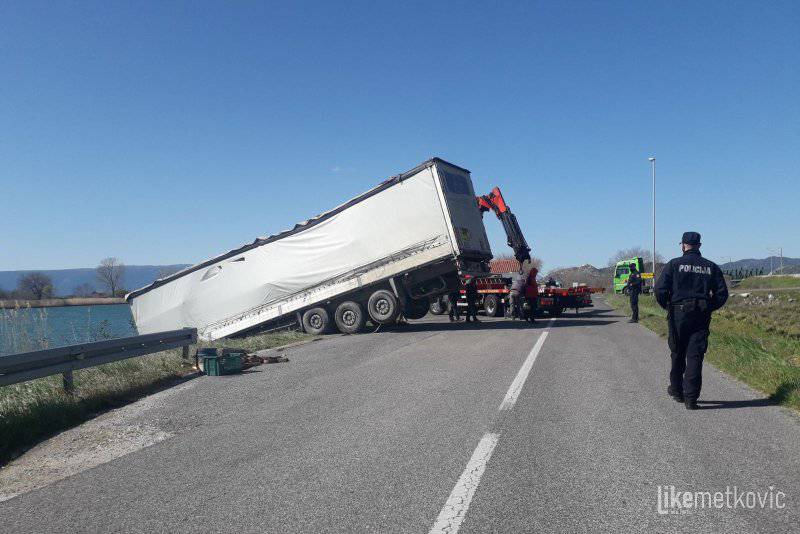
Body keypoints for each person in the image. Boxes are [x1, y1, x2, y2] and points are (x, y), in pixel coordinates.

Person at [655, 231, 728, 410]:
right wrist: (709, 307)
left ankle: (677, 391)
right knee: (695, 355)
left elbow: (660, 290)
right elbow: (722, 294)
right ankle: (691, 399)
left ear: (683, 245)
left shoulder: (674, 264)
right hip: (701, 314)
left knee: (677, 352)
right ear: (699, 246)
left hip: (678, 313)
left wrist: (668, 306)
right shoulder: (711, 267)